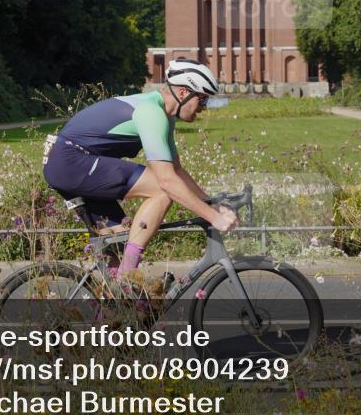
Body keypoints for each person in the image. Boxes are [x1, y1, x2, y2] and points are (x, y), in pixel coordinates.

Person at [43, 58, 239, 280]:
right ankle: (128, 279)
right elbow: (166, 182)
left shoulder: (163, 114)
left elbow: (176, 170)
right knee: (162, 191)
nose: (204, 108)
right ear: (184, 93)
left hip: (69, 163)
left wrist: (210, 203)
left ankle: (114, 306)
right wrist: (213, 217)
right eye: (203, 100)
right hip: (71, 161)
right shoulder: (151, 113)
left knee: (118, 247)